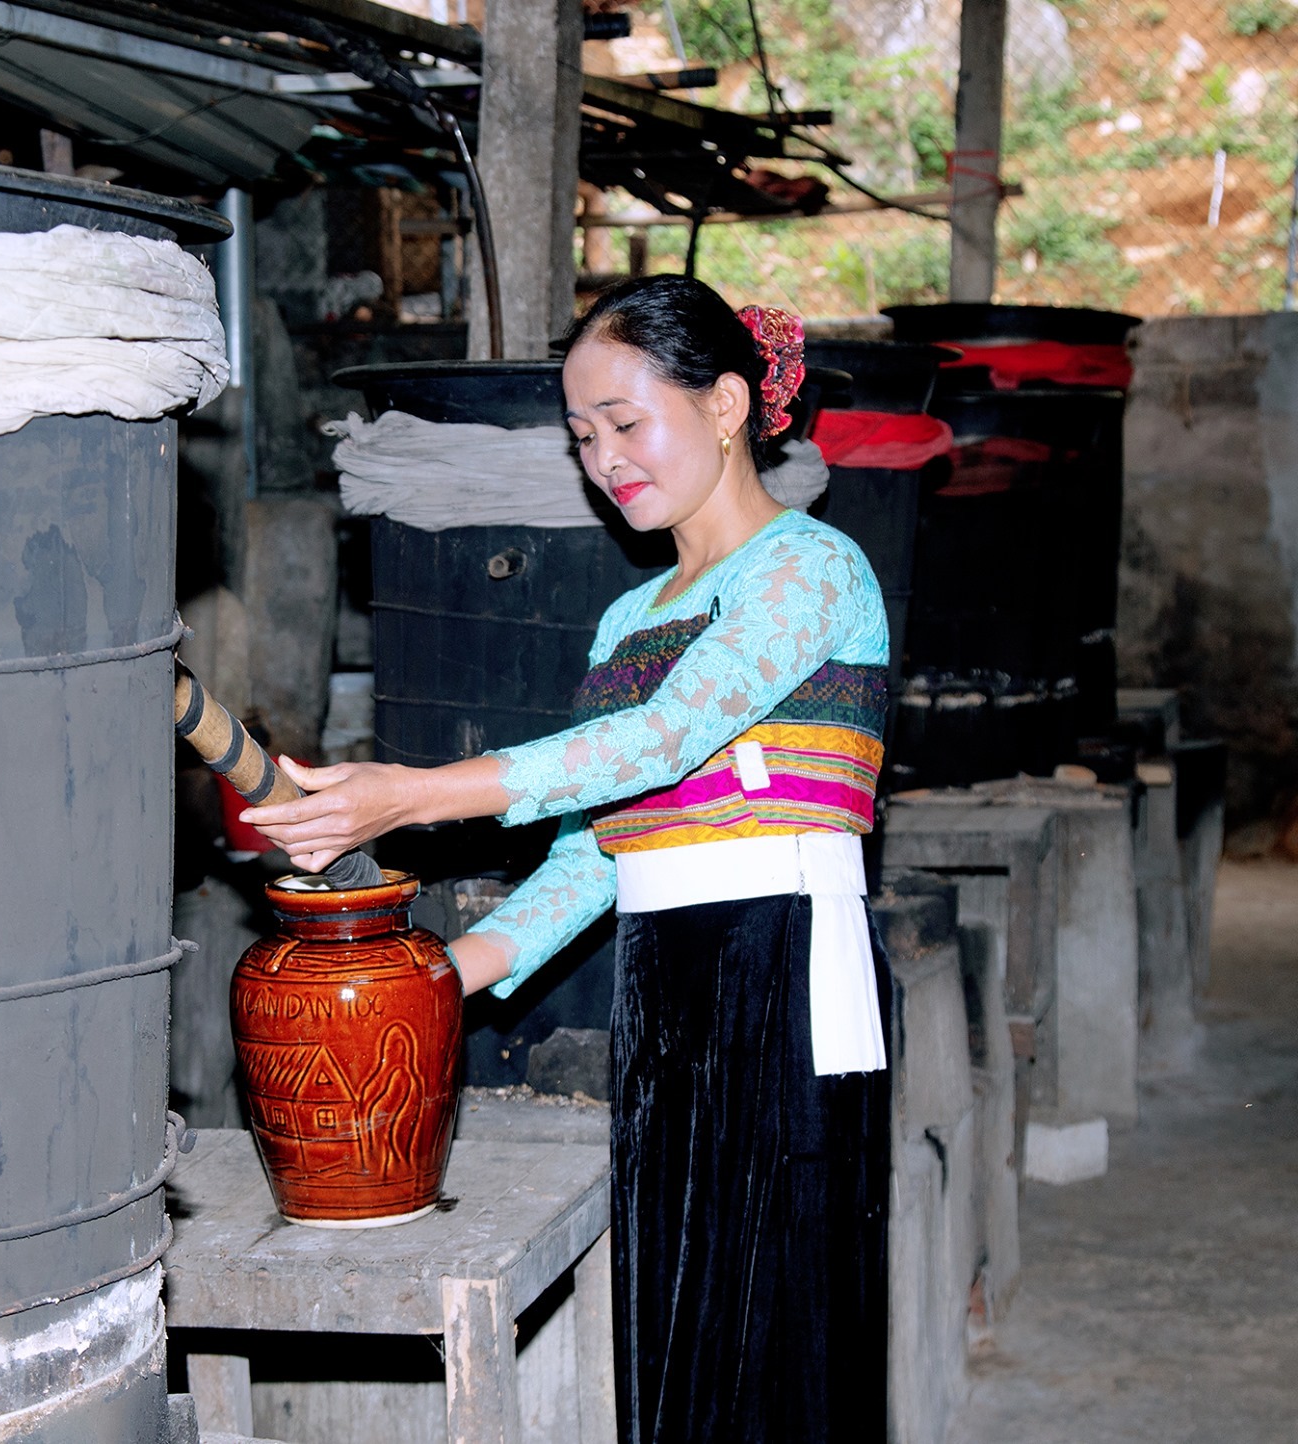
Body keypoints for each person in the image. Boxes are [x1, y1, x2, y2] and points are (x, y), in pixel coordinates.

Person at [242, 274, 892, 1443]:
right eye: (582, 436)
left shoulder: (811, 571)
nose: (604, 459)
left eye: (626, 423)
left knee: (777, 1319)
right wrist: (437, 975)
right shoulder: (629, 616)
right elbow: (598, 852)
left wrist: (405, 797)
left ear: (729, 405)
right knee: (677, 1318)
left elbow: (659, 740)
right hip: (665, 982)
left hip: (780, 966)